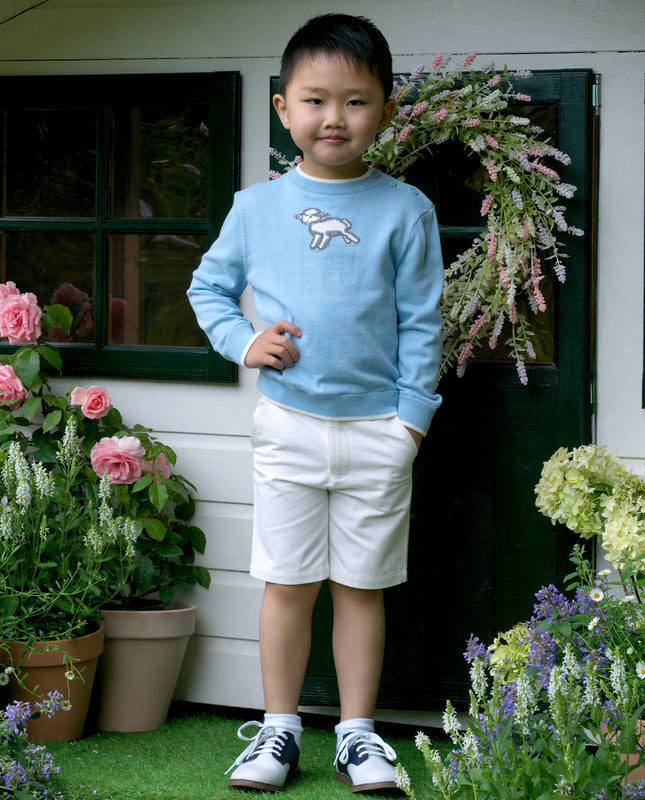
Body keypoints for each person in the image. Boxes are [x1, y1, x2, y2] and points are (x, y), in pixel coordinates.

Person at [187, 13, 443, 794]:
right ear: (283, 109)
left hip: (378, 430)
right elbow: (208, 288)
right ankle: (279, 730)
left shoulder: (406, 209)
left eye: (356, 101)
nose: (335, 118)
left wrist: (410, 423)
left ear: (386, 109)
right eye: (316, 100)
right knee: (288, 582)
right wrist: (245, 342)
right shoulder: (256, 208)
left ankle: (359, 736)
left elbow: (424, 320)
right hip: (289, 424)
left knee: (361, 587)